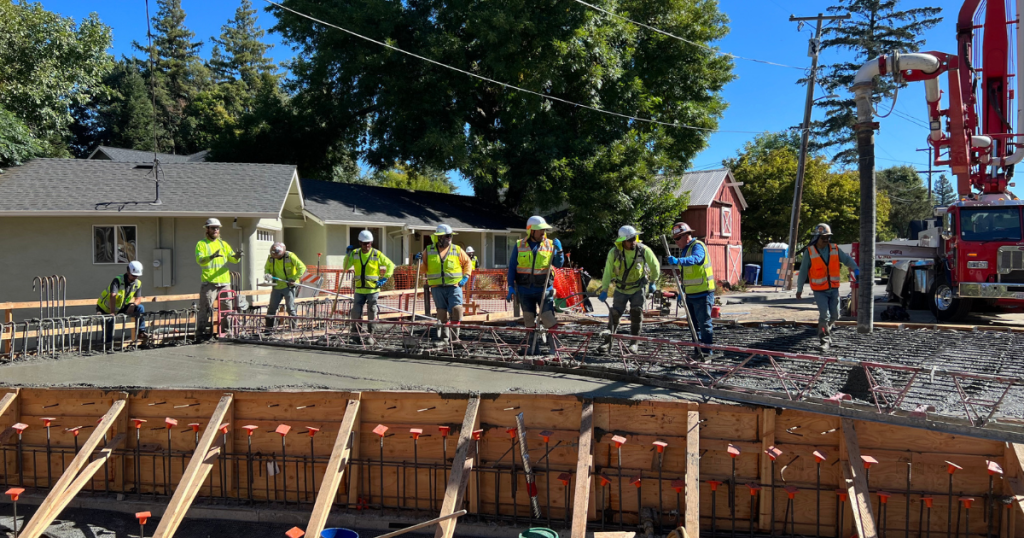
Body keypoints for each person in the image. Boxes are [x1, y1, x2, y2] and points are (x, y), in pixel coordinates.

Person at [596, 225, 661, 354]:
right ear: (623, 241)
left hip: (638, 288)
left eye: (634, 238)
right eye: (630, 239)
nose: (633, 241)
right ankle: (607, 343)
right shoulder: (614, 252)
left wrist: (653, 282)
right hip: (621, 289)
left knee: (636, 314)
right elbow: (608, 272)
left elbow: (655, 266)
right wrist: (604, 289)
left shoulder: (643, 250)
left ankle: (633, 344)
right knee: (614, 315)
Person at [795, 223, 859, 351]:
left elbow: (846, 260)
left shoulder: (834, 249)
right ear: (816, 238)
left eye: (828, 237)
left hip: (833, 289)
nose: (826, 240)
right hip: (819, 291)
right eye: (823, 237)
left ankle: (825, 329)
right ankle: (824, 339)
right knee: (825, 316)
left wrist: (857, 269)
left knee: (835, 316)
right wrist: (799, 289)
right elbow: (803, 271)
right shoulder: (809, 252)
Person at [506, 216, 564, 354]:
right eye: (540, 230)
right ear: (531, 231)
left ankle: (554, 348)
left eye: (544, 230)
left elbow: (559, 264)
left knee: (548, 318)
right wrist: (510, 286)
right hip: (525, 290)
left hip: (544, 289)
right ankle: (532, 348)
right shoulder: (520, 245)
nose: (543, 233)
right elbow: (513, 267)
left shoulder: (550, 245)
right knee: (528, 320)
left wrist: (560, 251)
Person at [415, 224, 473, 341]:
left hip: (454, 286)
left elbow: (468, 263)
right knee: (442, 313)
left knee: (456, 310)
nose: (449, 238)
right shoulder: (429, 250)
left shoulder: (456, 249)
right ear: (439, 237)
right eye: (447, 236)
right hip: (437, 287)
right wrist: (419, 261)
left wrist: (466, 276)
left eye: (450, 236)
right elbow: (422, 269)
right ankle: (444, 338)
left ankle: (455, 338)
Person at [666, 222, 715, 358]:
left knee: (704, 324)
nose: (676, 242)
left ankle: (707, 351)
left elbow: (697, 259)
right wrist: (683, 290)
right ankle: (697, 351)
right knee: (693, 326)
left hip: (703, 293)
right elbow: (687, 275)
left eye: (677, 239)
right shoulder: (685, 250)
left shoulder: (697, 246)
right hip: (691, 294)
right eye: (674, 239)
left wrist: (678, 261)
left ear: (686, 236)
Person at [195, 218, 242, 339]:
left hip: (224, 281)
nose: (215, 230)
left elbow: (232, 258)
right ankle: (201, 334)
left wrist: (237, 257)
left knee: (227, 309)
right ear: (207, 229)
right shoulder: (202, 244)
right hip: (209, 282)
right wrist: (211, 256)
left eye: (217, 228)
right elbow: (200, 260)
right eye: (213, 228)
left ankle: (226, 332)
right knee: (205, 309)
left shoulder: (223, 244)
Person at [343, 230, 396, 337]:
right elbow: (345, 267)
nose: (366, 245)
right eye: (364, 243)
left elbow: (391, 265)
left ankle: (371, 334)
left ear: (371, 243)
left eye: (368, 243)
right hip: (359, 289)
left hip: (373, 289)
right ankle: (355, 334)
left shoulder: (377, 254)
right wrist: (347, 256)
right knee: (356, 312)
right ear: (360, 243)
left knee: (372, 310)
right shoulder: (355, 253)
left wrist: (385, 278)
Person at [96, 261, 148, 347]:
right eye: (133, 275)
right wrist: (112, 313)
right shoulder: (118, 280)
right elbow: (113, 295)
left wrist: (133, 305)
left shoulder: (138, 283)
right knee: (109, 327)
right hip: (105, 308)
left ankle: (141, 332)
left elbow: (138, 298)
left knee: (140, 308)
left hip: (120, 307)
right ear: (128, 272)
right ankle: (107, 346)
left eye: (137, 276)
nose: (135, 277)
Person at [263, 242, 306, 329]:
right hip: (276, 286)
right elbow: (267, 268)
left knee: (290, 308)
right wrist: (267, 275)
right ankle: (268, 329)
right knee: (272, 308)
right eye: (274, 255)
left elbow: (302, 267)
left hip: (288, 286)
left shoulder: (290, 256)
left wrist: (294, 278)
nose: (276, 257)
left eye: (277, 256)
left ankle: (293, 329)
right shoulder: (271, 257)